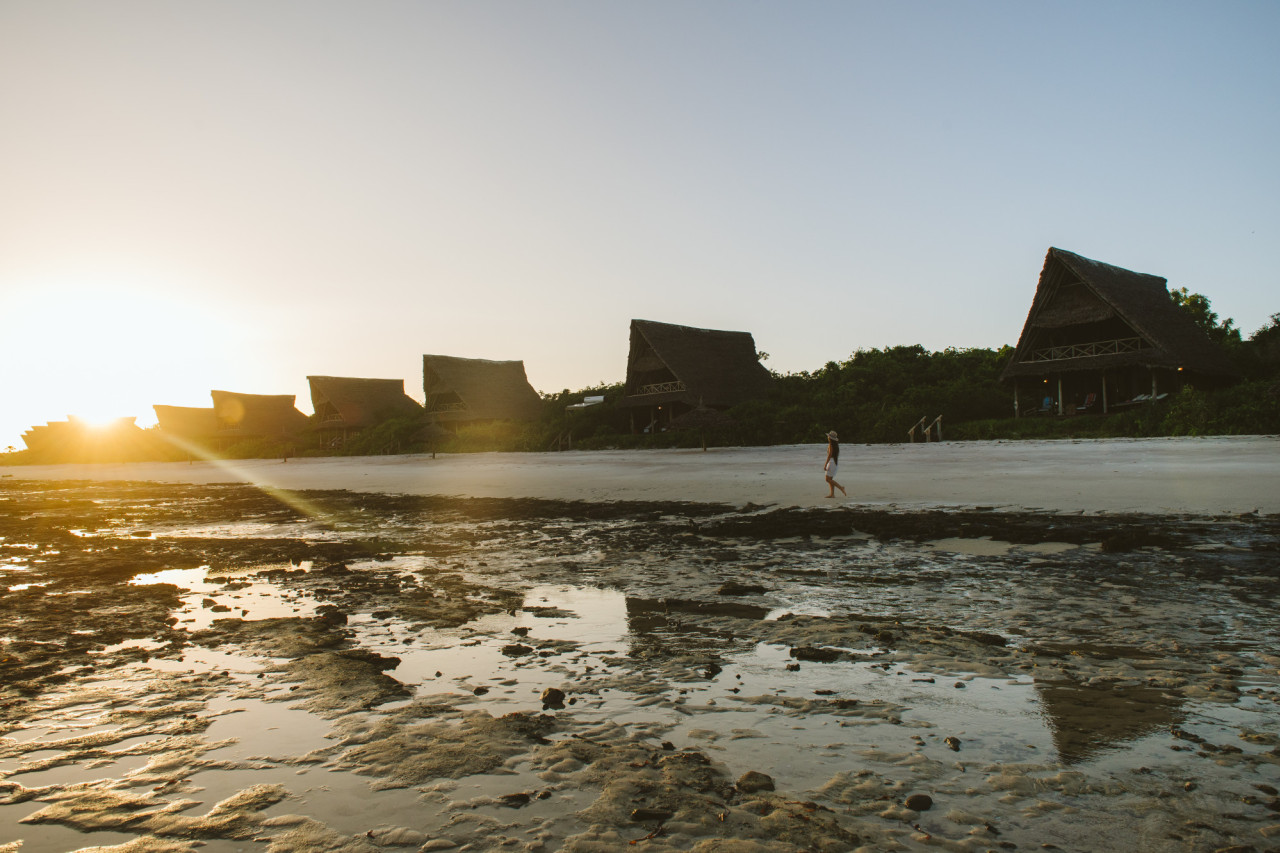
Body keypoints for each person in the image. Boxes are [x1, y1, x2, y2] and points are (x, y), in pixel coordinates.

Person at [823, 430, 847, 498]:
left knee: (827, 479)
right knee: (830, 479)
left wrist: (825, 464)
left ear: (830, 438)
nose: (828, 437)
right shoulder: (835, 445)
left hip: (831, 463)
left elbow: (829, 455)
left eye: (828, 437)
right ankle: (832, 494)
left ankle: (841, 487)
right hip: (834, 463)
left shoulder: (831, 445)